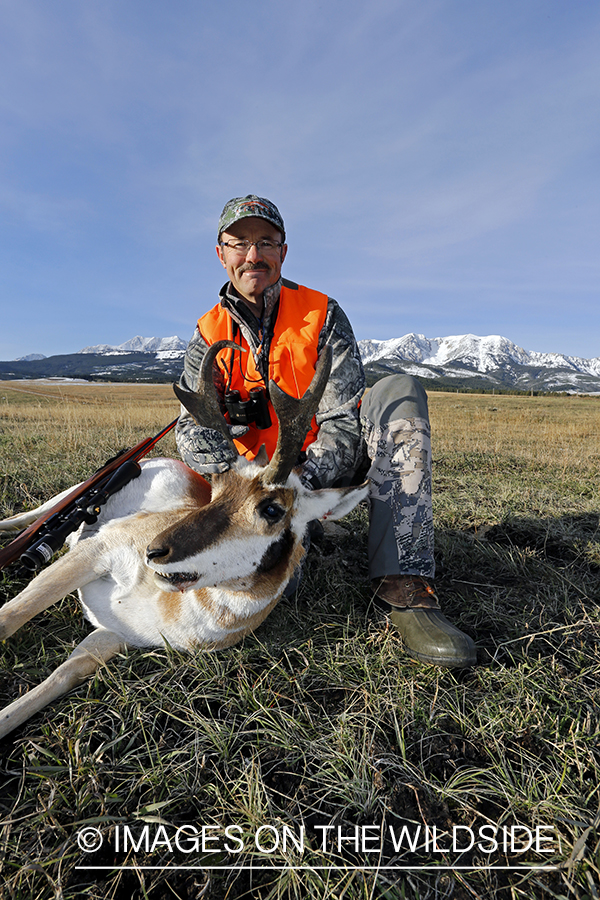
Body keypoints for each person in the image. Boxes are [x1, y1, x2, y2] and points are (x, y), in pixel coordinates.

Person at [176, 195, 476, 668]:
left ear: (283, 252)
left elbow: (343, 420)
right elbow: (192, 427)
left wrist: (302, 481)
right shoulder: (207, 332)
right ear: (221, 253)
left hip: (316, 475)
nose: (252, 255)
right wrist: (232, 480)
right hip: (246, 496)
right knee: (282, 585)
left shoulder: (321, 314)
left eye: (265, 243)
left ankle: (404, 584)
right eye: (239, 244)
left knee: (400, 392)